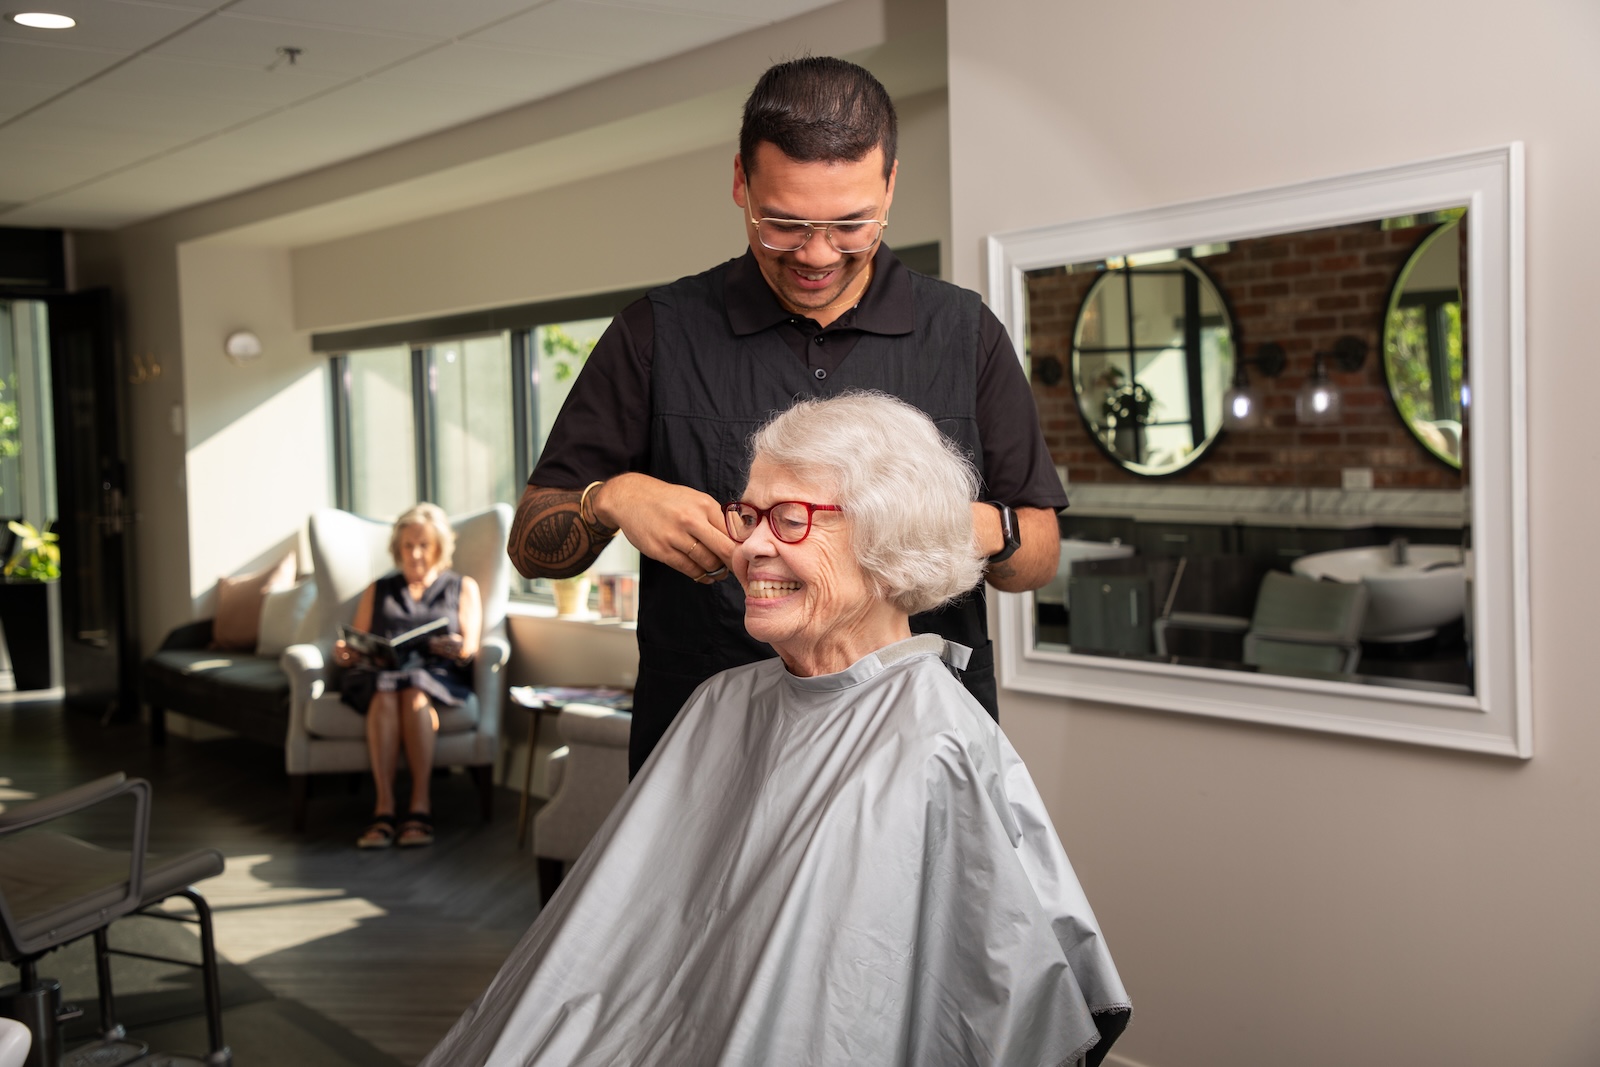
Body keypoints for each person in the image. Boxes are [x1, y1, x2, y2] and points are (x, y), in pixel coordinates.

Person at [423, 394, 1129, 1067]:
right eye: (749, 515)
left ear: (889, 537)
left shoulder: (931, 742)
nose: (750, 547)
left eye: (789, 518)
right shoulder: (721, 702)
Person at [509, 56, 1067, 776]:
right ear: (740, 182)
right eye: (784, 223)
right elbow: (530, 542)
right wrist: (612, 498)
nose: (817, 254)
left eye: (851, 225)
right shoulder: (656, 334)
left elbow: (1039, 555)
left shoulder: (965, 334)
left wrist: (965, 525)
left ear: (890, 184)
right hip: (708, 759)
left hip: (914, 757)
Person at [333, 503, 482, 849]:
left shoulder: (462, 587)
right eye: (407, 546)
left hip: (434, 674)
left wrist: (456, 646)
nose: (415, 554)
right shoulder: (379, 589)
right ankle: (384, 807)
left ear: (439, 548)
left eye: (423, 545)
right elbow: (357, 638)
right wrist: (345, 651)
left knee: (414, 692)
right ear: (397, 550)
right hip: (383, 673)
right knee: (386, 691)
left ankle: (420, 804)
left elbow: (470, 647)